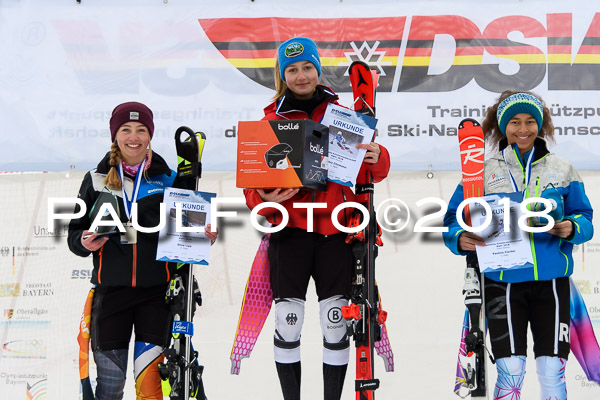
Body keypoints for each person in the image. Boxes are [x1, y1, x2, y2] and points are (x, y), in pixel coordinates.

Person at [243, 37, 390, 400]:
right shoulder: (270, 120)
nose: (301, 75)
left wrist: (377, 154)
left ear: (318, 70)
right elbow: (252, 188)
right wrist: (263, 197)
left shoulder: (345, 115)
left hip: (336, 232)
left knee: (335, 324)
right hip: (290, 233)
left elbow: (374, 171)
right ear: (282, 75)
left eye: (307, 67)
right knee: (287, 323)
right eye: (292, 70)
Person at [442, 91, 594, 400]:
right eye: (514, 122)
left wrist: (572, 227)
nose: (522, 129)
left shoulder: (562, 169)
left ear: (540, 125)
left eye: (529, 122)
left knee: (552, 370)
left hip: (551, 283)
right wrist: (458, 237)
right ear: (502, 126)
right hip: (501, 282)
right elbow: (451, 218)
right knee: (510, 371)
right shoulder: (481, 172)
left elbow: (585, 216)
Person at [68, 101, 217, 400]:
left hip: (156, 295)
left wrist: (203, 236)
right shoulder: (95, 180)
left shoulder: (170, 178)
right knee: (109, 388)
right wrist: (83, 242)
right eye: (126, 130)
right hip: (110, 295)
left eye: (141, 130)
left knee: (151, 386)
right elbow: (74, 233)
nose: (133, 137)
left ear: (150, 135)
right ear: (115, 135)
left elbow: (186, 236)